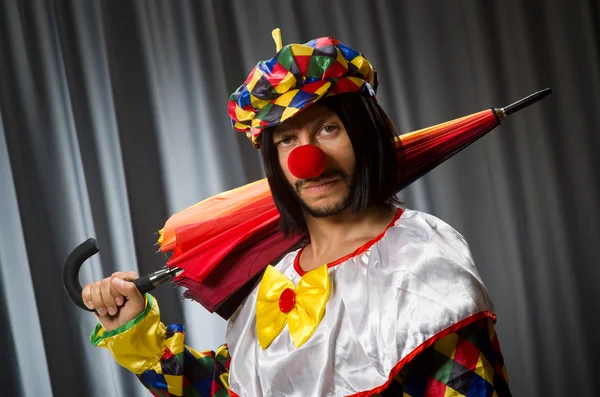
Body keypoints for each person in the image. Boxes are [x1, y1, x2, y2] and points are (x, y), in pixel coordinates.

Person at [83, 33, 511, 396]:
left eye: (328, 129)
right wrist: (138, 333)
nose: (308, 159)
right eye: (287, 139)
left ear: (365, 135)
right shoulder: (279, 280)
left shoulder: (419, 263)